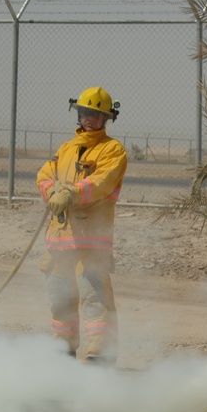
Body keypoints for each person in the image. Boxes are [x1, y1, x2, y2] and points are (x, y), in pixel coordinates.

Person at [36, 86, 128, 366]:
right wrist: (52, 191)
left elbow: (101, 182)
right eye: (85, 113)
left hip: (91, 241)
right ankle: (63, 353)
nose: (90, 119)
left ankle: (101, 355)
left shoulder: (113, 150)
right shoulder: (66, 148)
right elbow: (44, 174)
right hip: (60, 242)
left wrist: (71, 193)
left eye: (96, 115)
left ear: (107, 118)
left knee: (94, 297)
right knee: (60, 299)